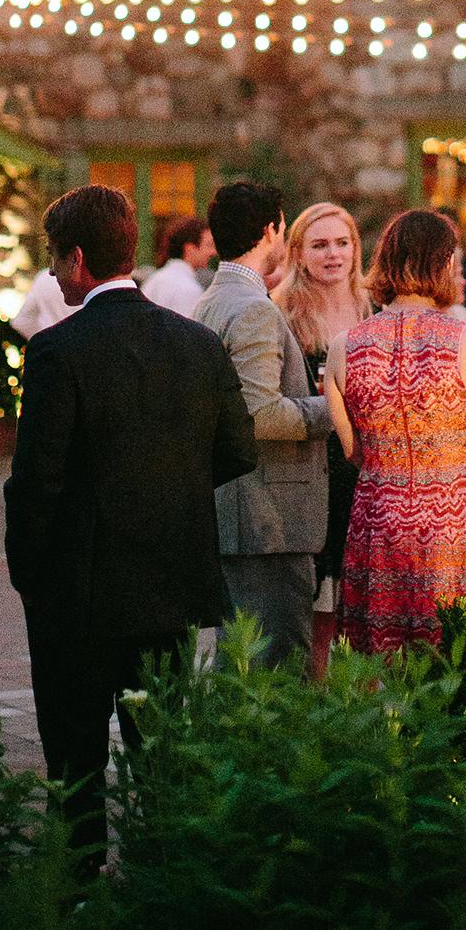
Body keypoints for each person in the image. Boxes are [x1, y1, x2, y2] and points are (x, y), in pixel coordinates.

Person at [4, 184, 255, 874]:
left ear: (80, 258)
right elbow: (239, 450)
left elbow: (36, 482)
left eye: (56, 259)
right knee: (162, 747)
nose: (54, 275)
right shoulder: (198, 343)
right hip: (171, 580)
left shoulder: (58, 350)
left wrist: (28, 573)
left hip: (79, 591)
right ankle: (163, 875)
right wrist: (164, 493)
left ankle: (81, 886)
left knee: (77, 756)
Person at [327, 209, 466, 654]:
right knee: (464, 656)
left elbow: (351, 448)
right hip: (457, 512)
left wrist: (389, 471)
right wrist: (458, 472)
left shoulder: (344, 346)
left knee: (383, 661)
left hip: (379, 513)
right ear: (443, 263)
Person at [194, 181, 331, 668]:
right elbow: (261, 415)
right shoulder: (251, 308)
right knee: (274, 667)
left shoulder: (212, 300)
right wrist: (334, 408)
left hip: (241, 512)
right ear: (271, 229)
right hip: (268, 516)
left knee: (246, 661)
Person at [273, 203, 371, 673]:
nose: (333, 254)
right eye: (320, 245)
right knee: (319, 611)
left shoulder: (374, 307)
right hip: (312, 469)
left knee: (364, 609)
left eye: (342, 243)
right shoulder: (283, 311)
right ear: (298, 253)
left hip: (367, 469)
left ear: (356, 249)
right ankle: (319, 714)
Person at [140, 214, 216, 318]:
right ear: (190, 249)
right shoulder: (188, 289)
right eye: (209, 245)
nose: (214, 252)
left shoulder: (154, 279)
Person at [11, 266, 78, 339]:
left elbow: (21, 321)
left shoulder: (44, 277)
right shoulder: (87, 277)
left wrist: (47, 340)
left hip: (56, 344)